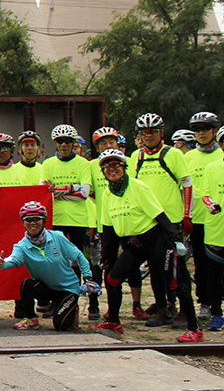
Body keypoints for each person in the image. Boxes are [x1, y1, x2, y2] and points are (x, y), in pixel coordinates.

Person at [91, 149, 201, 342]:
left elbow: (160, 216)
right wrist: (107, 256)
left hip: (157, 240)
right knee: (113, 279)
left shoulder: (138, 187)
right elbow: (108, 229)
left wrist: (175, 239)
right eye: (107, 167)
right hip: (135, 244)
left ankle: (195, 329)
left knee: (175, 283)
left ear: (124, 167)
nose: (111, 169)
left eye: (116, 165)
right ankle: (114, 322)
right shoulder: (107, 194)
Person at [127, 113, 192, 327]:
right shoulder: (136, 156)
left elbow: (187, 185)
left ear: (161, 133)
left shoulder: (173, 154)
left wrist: (187, 215)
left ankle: (185, 310)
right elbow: (132, 187)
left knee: (176, 267)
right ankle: (163, 308)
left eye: (153, 131)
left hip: (170, 221)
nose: (149, 135)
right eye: (144, 132)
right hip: (148, 222)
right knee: (155, 266)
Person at [0, 201, 95, 332]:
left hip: (68, 288)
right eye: (28, 220)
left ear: (43, 221)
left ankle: (71, 308)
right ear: (23, 223)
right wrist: (2, 263)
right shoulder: (22, 246)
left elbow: (78, 256)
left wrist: (87, 278)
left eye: (36, 219)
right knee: (27, 285)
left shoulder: (57, 237)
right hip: (47, 289)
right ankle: (31, 319)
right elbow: (13, 259)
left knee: (61, 326)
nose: (32, 223)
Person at [39, 123, 95, 317]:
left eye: (67, 141)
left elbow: (84, 194)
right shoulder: (48, 164)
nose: (63, 145)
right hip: (56, 219)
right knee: (56, 262)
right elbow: (44, 192)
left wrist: (57, 190)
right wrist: (72, 188)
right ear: (55, 143)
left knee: (82, 262)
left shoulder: (83, 163)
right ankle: (58, 302)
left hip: (79, 220)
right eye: (60, 141)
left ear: (73, 143)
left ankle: (92, 303)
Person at [91, 126, 146, 320]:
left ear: (118, 143)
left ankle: (137, 305)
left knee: (133, 267)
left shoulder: (129, 161)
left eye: (111, 142)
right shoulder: (92, 165)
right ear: (97, 147)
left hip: (131, 223)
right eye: (103, 143)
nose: (107, 145)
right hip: (107, 223)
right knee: (109, 266)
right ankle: (112, 308)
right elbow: (89, 191)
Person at [185, 112, 224, 325]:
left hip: (218, 221)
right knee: (201, 266)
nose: (201, 133)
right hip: (198, 218)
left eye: (206, 129)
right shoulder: (188, 157)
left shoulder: (220, 155)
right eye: (197, 130)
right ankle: (205, 303)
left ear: (214, 131)